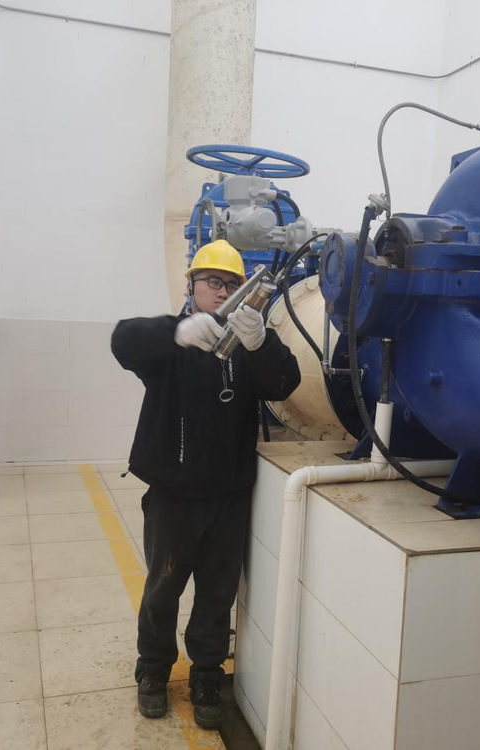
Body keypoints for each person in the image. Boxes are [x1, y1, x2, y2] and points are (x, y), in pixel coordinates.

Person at [111, 239, 301, 729]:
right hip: (173, 493)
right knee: (163, 589)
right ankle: (153, 670)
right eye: (212, 282)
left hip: (228, 495)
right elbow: (122, 340)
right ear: (192, 286)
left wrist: (263, 343)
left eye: (231, 284)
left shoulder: (246, 345)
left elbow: (285, 384)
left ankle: (206, 675)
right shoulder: (172, 345)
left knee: (217, 594)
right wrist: (176, 331)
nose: (221, 291)